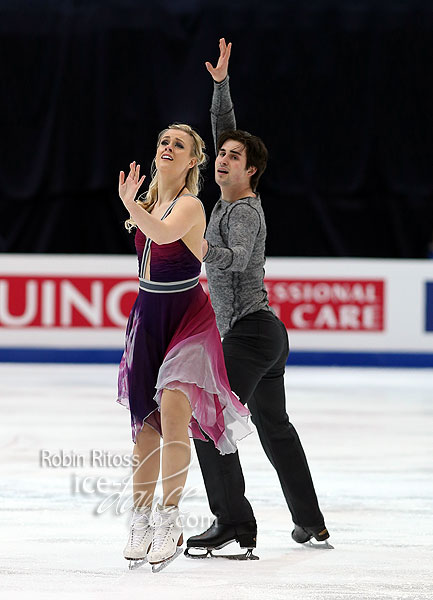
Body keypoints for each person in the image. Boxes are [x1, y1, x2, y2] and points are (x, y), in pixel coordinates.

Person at [186, 39, 330, 557]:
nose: (222, 158)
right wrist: (221, 84)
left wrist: (203, 247)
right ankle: (311, 522)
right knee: (274, 427)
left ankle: (233, 522)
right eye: (220, 154)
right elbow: (226, 128)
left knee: (207, 415)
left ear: (251, 171)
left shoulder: (244, 209)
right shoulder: (226, 196)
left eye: (233, 157)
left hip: (250, 330)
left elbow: (241, 259)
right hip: (266, 333)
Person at [116, 122, 251, 571]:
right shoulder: (150, 202)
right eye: (162, 142)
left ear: (194, 160)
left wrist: (131, 204)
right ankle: (140, 518)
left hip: (188, 319)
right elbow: (150, 229)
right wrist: (137, 203)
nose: (167, 147)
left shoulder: (191, 204)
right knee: (146, 427)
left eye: (178, 144)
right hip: (148, 318)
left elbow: (164, 235)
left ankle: (169, 518)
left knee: (174, 414)